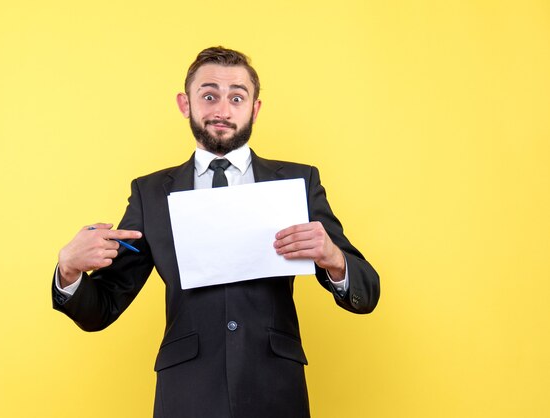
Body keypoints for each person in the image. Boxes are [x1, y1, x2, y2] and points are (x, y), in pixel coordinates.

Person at [52, 46, 380, 418]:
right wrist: (69, 271)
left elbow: (367, 292)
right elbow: (104, 307)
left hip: (275, 388)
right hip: (187, 391)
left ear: (254, 108)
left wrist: (335, 260)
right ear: (185, 103)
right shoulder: (151, 193)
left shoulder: (298, 181)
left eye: (236, 98)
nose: (222, 111)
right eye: (209, 96)